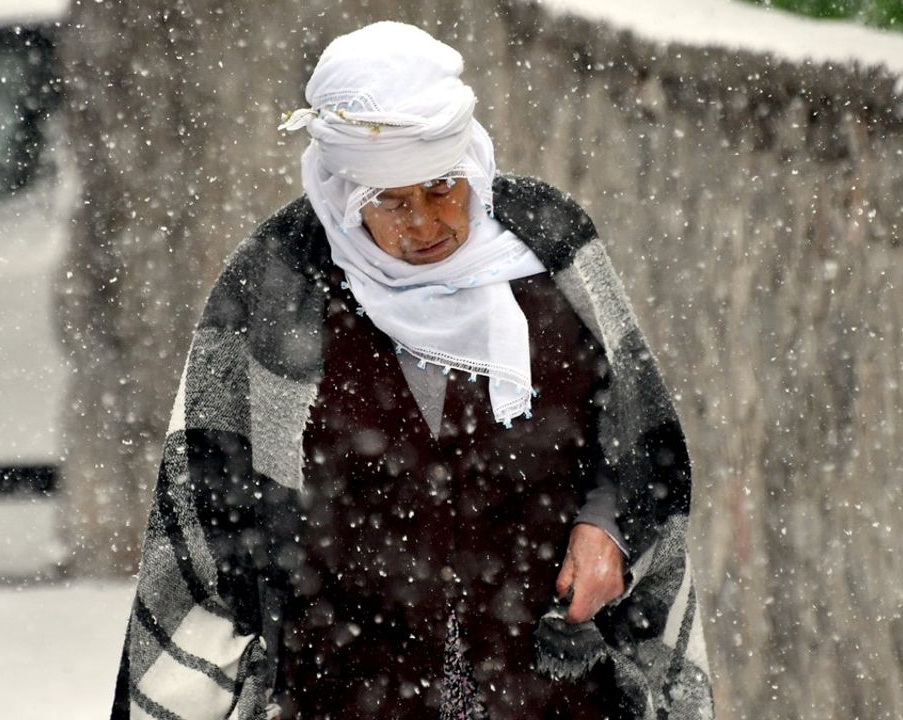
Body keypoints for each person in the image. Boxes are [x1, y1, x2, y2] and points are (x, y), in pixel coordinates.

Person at [112, 21, 712, 720]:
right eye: (391, 202)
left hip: (547, 683)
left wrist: (608, 527)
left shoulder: (551, 253)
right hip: (340, 687)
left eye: (442, 188)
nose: (426, 223)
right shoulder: (278, 282)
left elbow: (638, 441)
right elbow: (209, 508)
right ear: (342, 194)